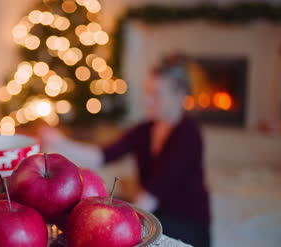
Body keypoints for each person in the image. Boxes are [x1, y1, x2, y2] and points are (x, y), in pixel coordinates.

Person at [42, 54, 211, 247]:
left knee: (114, 220)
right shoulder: (146, 129)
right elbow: (102, 156)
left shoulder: (188, 134)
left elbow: (151, 196)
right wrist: (59, 141)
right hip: (154, 212)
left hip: (186, 225)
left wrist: (108, 224)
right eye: (147, 93)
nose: (147, 101)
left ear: (180, 96)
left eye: (156, 95)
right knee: (100, 206)